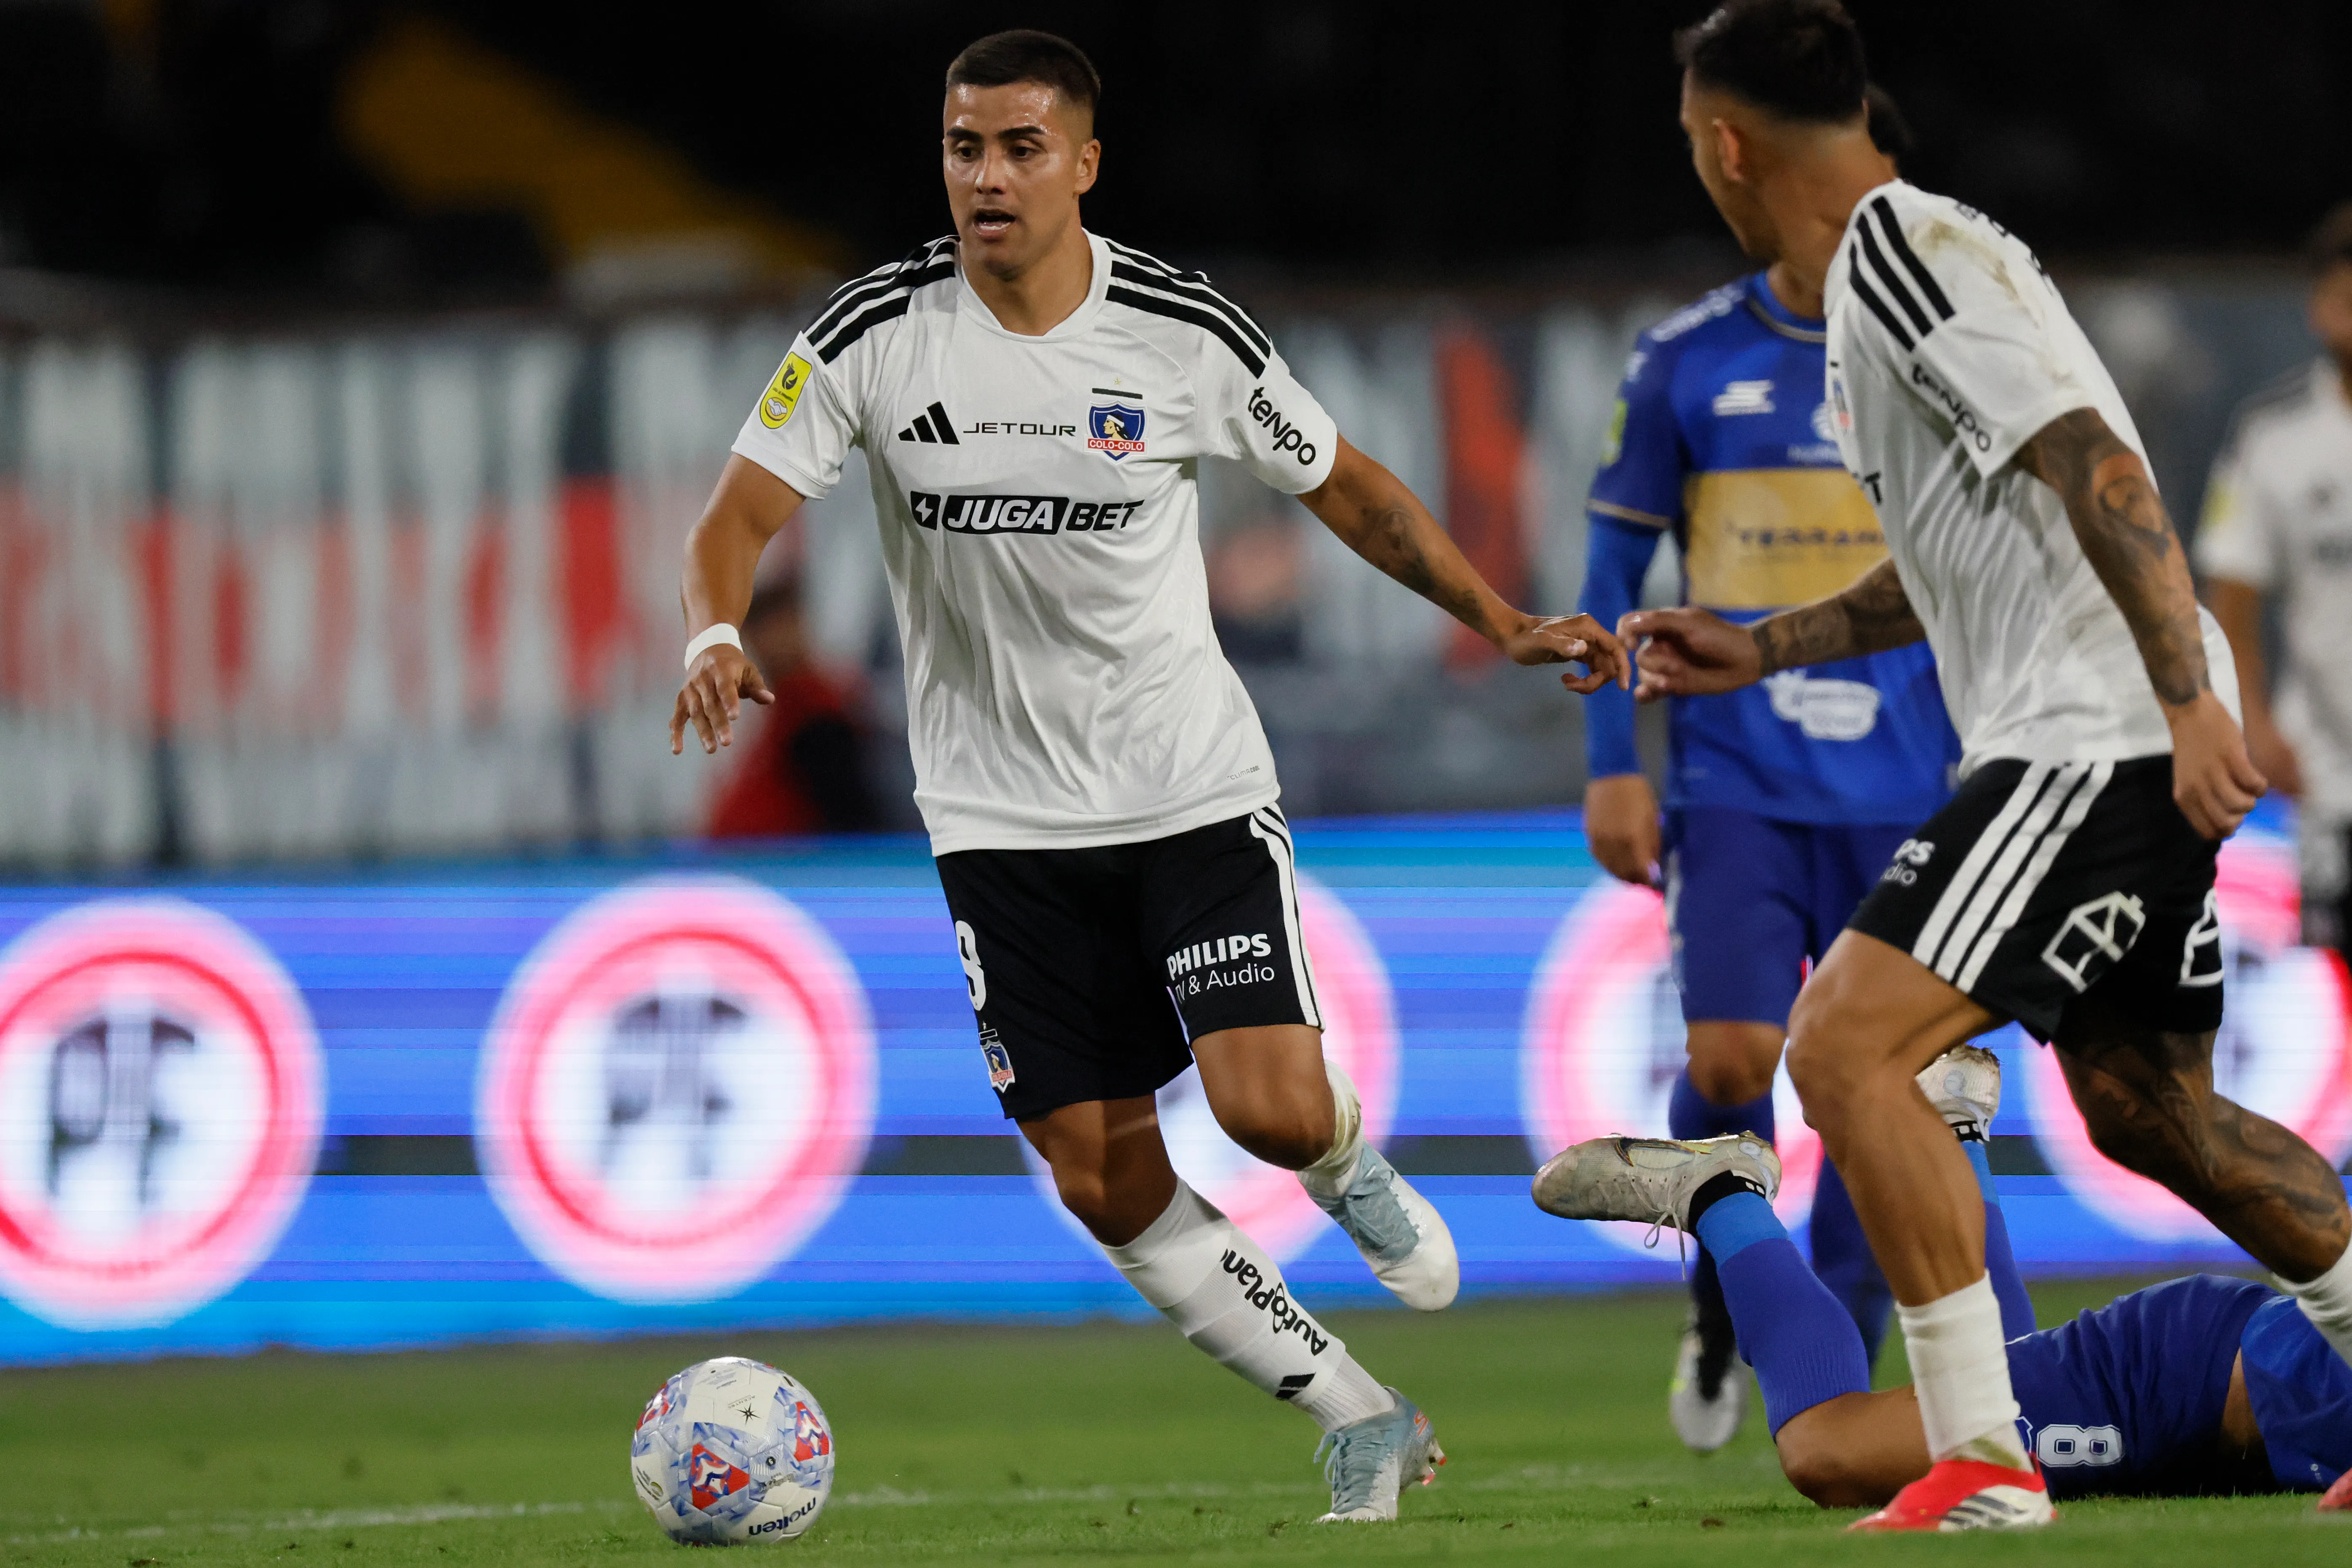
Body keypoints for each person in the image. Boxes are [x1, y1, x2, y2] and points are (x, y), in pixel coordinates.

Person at [666, 29, 1628, 1523]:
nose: (986, 177)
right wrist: (715, 627)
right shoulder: (872, 331)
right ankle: (1358, 1414)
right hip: (995, 822)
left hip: (1181, 784)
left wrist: (1496, 618)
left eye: (1019, 149)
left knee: (1261, 1107)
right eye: (963, 147)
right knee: (1099, 1175)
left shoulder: (1177, 331)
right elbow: (734, 510)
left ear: (1084, 163)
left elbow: (1350, 488)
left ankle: (1343, 1159)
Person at [1619, 0, 2352, 1530]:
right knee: (2147, 1109)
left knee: (1839, 1046)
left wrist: (2178, 703)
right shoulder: (1895, 294)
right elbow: (1941, 571)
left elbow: (2090, 457)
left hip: (2091, 728)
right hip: (2101, 716)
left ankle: (1981, 1453)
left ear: (1721, 144)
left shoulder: (1891, 253)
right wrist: (1762, 646)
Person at [1577, 80, 1960, 1452]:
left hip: (1913, 774)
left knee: (1877, 1079)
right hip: (1734, 769)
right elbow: (1612, 568)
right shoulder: (1682, 359)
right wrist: (1611, 756)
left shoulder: (1945, 357)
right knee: (1737, 1049)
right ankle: (1718, 1293)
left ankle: (1827, 1348)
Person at [1532, 1049, 2352, 1514]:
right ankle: (1718, 1190)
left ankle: (1949, 1132)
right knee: (1830, 1448)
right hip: (2180, 1383)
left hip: (2232, 1399)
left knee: (1990, 1369)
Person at [2198, 203, 2352, 961]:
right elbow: (2232, 594)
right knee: (2336, 974)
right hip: (2328, 770)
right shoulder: (2273, 436)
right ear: (2317, 307)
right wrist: (2252, 721)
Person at [705, 577, 880, 837]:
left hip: (783, 864)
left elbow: (846, 813)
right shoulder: (785, 701)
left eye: (777, 625)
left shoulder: (813, 706)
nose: (768, 642)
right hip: (753, 859)